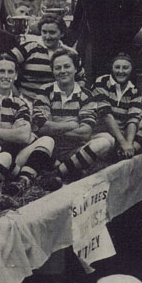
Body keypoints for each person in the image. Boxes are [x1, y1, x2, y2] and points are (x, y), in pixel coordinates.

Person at [32, 48, 115, 184]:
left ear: (76, 68)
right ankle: (72, 170)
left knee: (106, 140)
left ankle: (57, 173)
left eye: (67, 66)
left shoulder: (86, 95)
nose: (63, 71)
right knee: (46, 140)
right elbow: (41, 128)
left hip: (75, 150)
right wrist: (71, 124)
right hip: (50, 149)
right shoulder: (45, 91)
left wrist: (53, 127)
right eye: (57, 68)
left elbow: (85, 133)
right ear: (52, 70)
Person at [0, 54, 57, 195]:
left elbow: (22, 136)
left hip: (17, 158)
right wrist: (11, 131)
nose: (6, 76)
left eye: (10, 72)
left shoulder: (20, 103)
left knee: (47, 140)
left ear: (15, 76)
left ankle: (22, 182)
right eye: (1, 71)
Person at [92, 53, 142, 159]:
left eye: (125, 68)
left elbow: (133, 119)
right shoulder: (101, 82)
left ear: (131, 69)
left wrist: (129, 143)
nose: (120, 71)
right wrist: (123, 142)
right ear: (112, 68)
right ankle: (123, 151)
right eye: (117, 67)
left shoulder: (134, 90)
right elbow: (106, 115)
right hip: (104, 134)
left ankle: (129, 151)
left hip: (124, 135)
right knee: (106, 141)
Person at [11, 14, 85, 102]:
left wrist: (72, 99)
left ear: (62, 33)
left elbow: (81, 78)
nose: (47, 37)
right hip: (27, 101)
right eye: (44, 32)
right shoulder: (29, 48)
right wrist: (17, 96)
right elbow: (4, 65)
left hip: (56, 104)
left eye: (52, 32)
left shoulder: (70, 53)